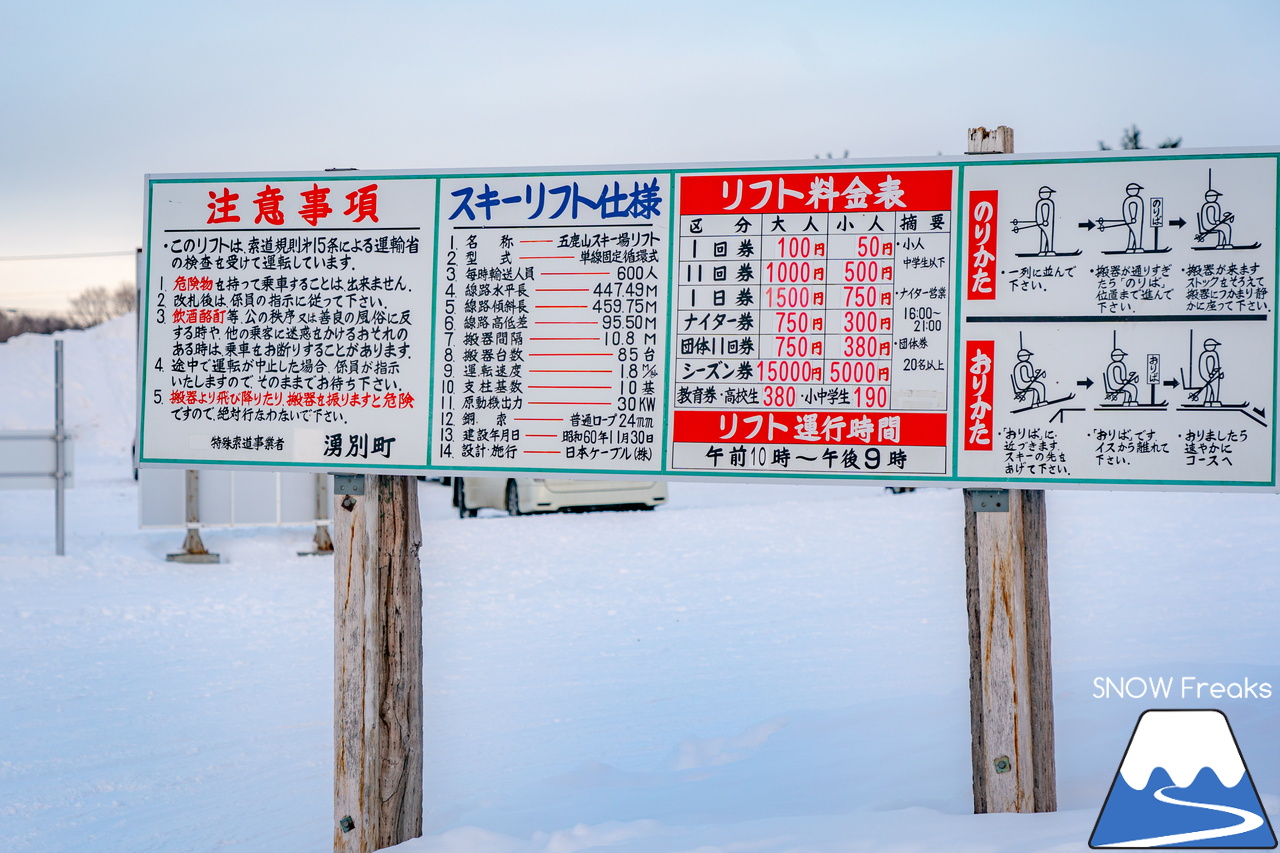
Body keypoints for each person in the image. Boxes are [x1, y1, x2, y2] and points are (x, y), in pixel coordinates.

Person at [1012, 186, 1057, 255]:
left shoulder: (1048, 202)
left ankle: (1046, 251)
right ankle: (1046, 251)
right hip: (1045, 223)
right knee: (1047, 236)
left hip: (1048, 223)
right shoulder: (1043, 203)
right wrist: (1043, 221)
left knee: (1047, 236)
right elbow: (1040, 214)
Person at [1197, 338, 1223, 406]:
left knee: (1215, 388)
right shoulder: (1205, 355)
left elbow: (1217, 366)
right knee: (1210, 387)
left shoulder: (1214, 354)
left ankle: (1214, 400)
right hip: (1209, 376)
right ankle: (1208, 401)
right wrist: (1209, 374)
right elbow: (1203, 367)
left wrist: (1219, 374)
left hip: (1215, 375)